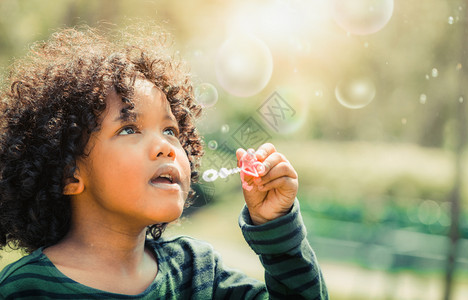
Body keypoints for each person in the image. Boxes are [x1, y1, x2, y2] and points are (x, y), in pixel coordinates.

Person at [0, 25, 328, 299]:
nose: (166, 147)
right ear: (68, 172)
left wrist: (277, 226)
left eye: (171, 130)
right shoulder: (25, 289)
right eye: (129, 128)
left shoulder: (199, 273)